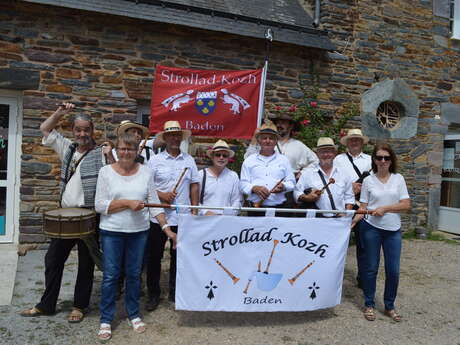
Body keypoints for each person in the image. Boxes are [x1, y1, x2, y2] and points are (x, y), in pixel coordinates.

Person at [20, 103, 113, 322]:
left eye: (86, 130)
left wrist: (110, 156)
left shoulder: (101, 152)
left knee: (86, 263)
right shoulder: (68, 148)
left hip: (89, 216)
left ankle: (79, 306)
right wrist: (60, 113)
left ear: (92, 131)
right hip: (65, 216)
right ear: (73, 131)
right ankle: (47, 304)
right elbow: (45, 129)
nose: (82, 134)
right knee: (53, 259)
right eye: (78, 129)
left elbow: (114, 175)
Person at [94, 132, 176, 341]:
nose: (126, 152)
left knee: (133, 274)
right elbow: (100, 206)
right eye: (122, 148)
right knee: (111, 276)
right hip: (112, 232)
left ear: (136, 151)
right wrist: (126, 203)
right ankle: (106, 318)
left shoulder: (146, 172)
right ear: (116, 150)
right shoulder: (105, 172)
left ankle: (133, 313)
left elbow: (154, 204)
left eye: (130, 148)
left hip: (139, 232)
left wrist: (167, 229)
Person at [352, 143, 411, 322]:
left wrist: (384, 208)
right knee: (370, 268)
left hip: (393, 230)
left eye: (386, 157)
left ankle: (389, 306)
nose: (383, 161)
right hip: (371, 229)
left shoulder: (398, 178)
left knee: (393, 270)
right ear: (374, 160)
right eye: (379, 158)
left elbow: (406, 204)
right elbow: (363, 207)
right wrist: (351, 222)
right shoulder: (368, 180)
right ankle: (369, 304)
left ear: (391, 160)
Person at [145, 121, 200, 310]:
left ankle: (176, 292)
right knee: (154, 257)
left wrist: (194, 209)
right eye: (171, 135)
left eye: (178, 135)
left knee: (179, 257)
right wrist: (162, 195)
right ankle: (153, 294)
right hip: (159, 217)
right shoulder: (154, 161)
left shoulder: (189, 160)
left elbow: (194, 185)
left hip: (182, 217)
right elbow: (147, 186)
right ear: (165, 138)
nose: (175, 138)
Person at [334, 128, 372, 287]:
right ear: (347, 142)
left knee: (363, 244)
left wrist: (362, 189)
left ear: (362, 142)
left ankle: (363, 277)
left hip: (364, 206)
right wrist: (350, 187)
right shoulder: (338, 159)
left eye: (357, 139)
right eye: (352, 139)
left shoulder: (371, 160)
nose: (354, 142)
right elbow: (332, 180)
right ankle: (334, 276)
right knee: (338, 243)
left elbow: (376, 182)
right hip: (343, 205)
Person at [240, 122, 296, 217]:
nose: (267, 141)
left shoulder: (284, 160)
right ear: (259, 141)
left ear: (276, 141)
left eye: (271, 138)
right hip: (255, 210)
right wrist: (254, 188)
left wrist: (284, 186)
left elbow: (292, 182)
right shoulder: (249, 160)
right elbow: (242, 184)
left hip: (279, 209)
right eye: (264, 138)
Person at [244, 112, 318, 179]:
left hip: (290, 187)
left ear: (291, 126)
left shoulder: (299, 146)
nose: (279, 125)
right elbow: (248, 159)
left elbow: (316, 162)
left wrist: (303, 173)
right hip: (267, 184)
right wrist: (254, 138)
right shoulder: (267, 143)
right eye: (278, 123)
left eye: (283, 123)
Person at [294, 137, 354, 217]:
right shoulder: (307, 173)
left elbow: (349, 197)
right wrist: (306, 197)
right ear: (317, 154)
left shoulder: (344, 173)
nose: (326, 155)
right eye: (322, 152)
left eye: (329, 151)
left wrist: (346, 214)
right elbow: (297, 192)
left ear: (334, 153)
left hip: (339, 219)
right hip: (315, 220)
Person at [199, 140, 241, 216]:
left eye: (225, 156)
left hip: (226, 221)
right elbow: (194, 200)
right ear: (212, 157)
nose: (221, 158)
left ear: (228, 158)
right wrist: (205, 212)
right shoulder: (201, 175)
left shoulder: (233, 176)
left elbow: (237, 200)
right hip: (204, 220)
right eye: (218, 155)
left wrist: (230, 214)